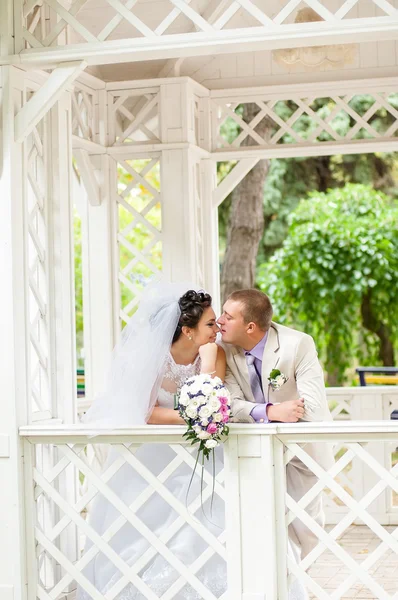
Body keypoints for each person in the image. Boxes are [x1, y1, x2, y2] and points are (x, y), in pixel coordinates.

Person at [77, 283, 226, 600]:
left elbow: (217, 399)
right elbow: (147, 412)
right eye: (210, 324)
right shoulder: (155, 360)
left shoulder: (214, 353)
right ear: (187, 330)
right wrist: (193, 414)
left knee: (206, 520)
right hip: (156, 455)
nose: (218, 329)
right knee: (145, 521)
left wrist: (209, 365)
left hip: (202, 454)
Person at [218, 288, 334, 560]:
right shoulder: (225, 349)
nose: (220, 321)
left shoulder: (297, 344)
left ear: (250, 326)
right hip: (251, 450)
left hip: (300, 450)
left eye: (227, 315)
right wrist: (271, 410)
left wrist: (266, 411)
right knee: (256, 521)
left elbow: (313, 407)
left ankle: (305, 584)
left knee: (305, 525)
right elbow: (230, 404)